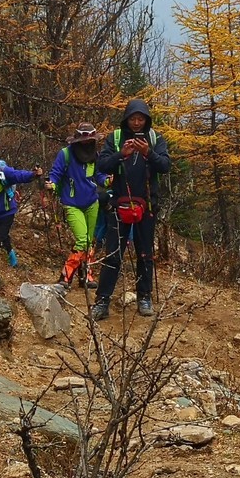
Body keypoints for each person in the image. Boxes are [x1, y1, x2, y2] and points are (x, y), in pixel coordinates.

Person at [92, 99, 171, 320]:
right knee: (113, 255)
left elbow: (165, 166)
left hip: (147, 206)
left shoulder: (156, 139)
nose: (136, 123)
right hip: (118, 205)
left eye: (141, 119)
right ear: (126, 119)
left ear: (146, 120)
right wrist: (121, 155)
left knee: (145, 254)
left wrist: (148, 153)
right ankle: (102, 300)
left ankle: (144, 296)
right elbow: (102, 165)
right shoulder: (115, 139)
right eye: (133, 118)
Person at [46, 123, 108, 290]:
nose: (87, 143)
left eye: (90, 140)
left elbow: (99, 175)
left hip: (92, 202)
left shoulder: (96, 154)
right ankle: (66, 275)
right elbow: (56, 173)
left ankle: (86, 275)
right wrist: (52, 183)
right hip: (72, 203)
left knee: (89, 241)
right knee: (82, 239)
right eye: (84, 140)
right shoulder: (66, 154)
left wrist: (107, 181)